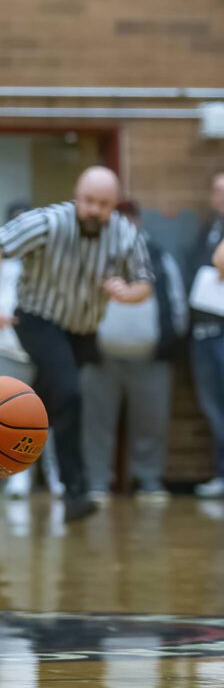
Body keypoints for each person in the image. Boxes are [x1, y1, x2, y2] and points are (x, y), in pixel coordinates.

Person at [0, 167, 154, 525]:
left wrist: (127, 293)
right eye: (88, 201)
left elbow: (145, 282)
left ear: (113, 205)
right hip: (39, 319)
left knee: (42, 406)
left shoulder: (124, 233)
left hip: (82, 330)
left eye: (102, 204)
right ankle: (75, 492)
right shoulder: (48, 222)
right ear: (77, 196)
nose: (93, 210)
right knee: (69, 394)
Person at [81, 200, 188, 503]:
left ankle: (149, 480)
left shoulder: (159, 256)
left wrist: (164, 344)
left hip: (151, 358)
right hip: (100, 358)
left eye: (130, 221)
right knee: (95, 423)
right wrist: (85, 346)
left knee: (151, 423)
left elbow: (177, 306)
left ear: (139, 222)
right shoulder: (93, 256)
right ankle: (97, 481)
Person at [0, 200, 63, 500]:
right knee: (11, 417)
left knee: (48, 415)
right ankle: (17, 475)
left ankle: (54, 475)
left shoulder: (47, 264)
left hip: (40, 347)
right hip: (4, 352)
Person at [189, 171, 224, 498]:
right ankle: (219, 473)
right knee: (212, 408)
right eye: (216, 190)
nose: (219, 196)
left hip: (222, 335)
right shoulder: (209, 227)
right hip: (201, 334)